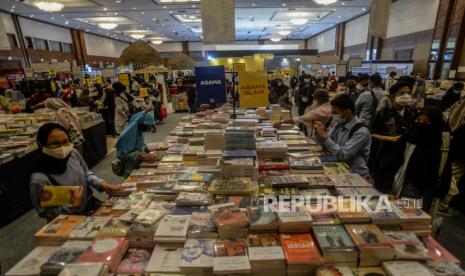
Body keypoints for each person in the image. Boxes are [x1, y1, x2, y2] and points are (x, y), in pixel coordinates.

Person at [30, 123, 120, 221]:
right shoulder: (39, 178)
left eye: (65, 142)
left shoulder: (72, 154)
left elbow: (86, 173)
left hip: (89, 206)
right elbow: (44, 212)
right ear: (41, 144)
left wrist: (102, 184)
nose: (62, 148)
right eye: (54, 143)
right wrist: (71, 206)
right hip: (66, 220)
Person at [393, 106, 452, 212]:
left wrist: (443, 190)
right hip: (411, 183)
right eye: (418, 120)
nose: (420, 124)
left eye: (426, 121)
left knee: (421, 216)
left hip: (430, 188)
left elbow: (446, 167)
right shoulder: (412, 137)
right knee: (408, 214)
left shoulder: (443, 143)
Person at [314, 94, 372, 180]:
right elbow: (327, 145)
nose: (333, 116)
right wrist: (320, 133)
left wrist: (325, 137)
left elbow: (343, 155)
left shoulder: (361, 131)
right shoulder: (339, 125)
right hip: (340, 170)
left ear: (347, 112)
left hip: (356, 175)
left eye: (335, 113)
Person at [115, 111, 157, 177]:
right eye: (147, 126)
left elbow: (141, 146)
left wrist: (148, 151)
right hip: (131, 170)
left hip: (141, 165)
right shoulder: (125, 136)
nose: (147, 130)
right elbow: (120, 156)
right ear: (140, 123)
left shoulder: (138, 133)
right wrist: (138, 153)